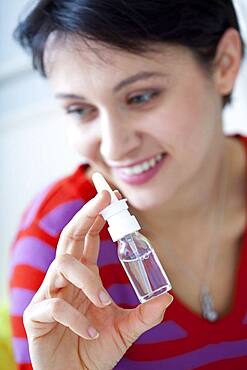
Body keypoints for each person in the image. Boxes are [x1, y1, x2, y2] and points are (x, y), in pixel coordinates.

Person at [9, 0, 247, 369]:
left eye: (140, 97)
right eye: (79, 109)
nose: (113, 146)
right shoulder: (56, 247)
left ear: (224, 64)